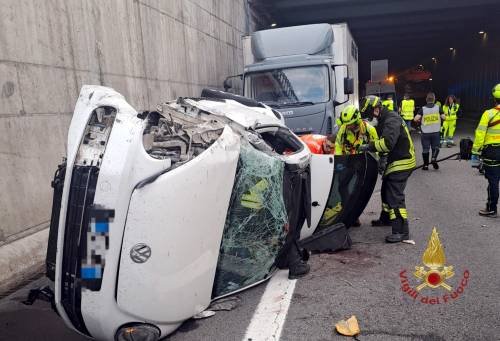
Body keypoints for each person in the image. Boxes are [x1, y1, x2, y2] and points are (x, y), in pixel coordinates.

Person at [359, 95, 416, 243]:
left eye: (370, 115)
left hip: (403, 161)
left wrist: (368, 147)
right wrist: (382, 159)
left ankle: (401, 231)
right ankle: (386, 219)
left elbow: (387, 143)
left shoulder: (391, 120)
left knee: (394, 196)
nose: (370, 119)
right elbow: (382, 143)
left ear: (376, 109)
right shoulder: (382, 120)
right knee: (385, 190)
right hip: (395, 160)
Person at [470, 83, 500, 218]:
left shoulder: (488, 114)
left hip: (492, 152)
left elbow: (480, 133)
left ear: (494, 98)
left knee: (493, 181)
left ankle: (492, 208)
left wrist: (475, 151)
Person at [414, 92, 445, 170]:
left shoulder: (423, 109)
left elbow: (415, 119)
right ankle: (434, 158)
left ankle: (426, 165)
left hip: (425, 133)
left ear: (426, 100)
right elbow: (444, 117)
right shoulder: (438, 108)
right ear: (434, 99)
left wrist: (421, 119)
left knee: (425, 149)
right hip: (436, 132)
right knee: (436, 147)